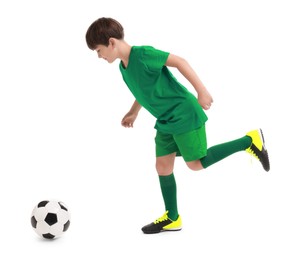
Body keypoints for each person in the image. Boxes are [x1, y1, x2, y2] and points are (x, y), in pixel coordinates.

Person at [85, 17, 270, 234]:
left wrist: (202, 91)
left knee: (195, 164)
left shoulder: (143, 54)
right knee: (163, 166)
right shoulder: (124, 69)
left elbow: (180, 62)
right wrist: (134, 112)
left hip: (183, 114)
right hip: (165, 121)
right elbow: (143, 92)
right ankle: (172, 217)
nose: (98, 56)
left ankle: (249, 140)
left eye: (98, 50)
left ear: (111, 42)